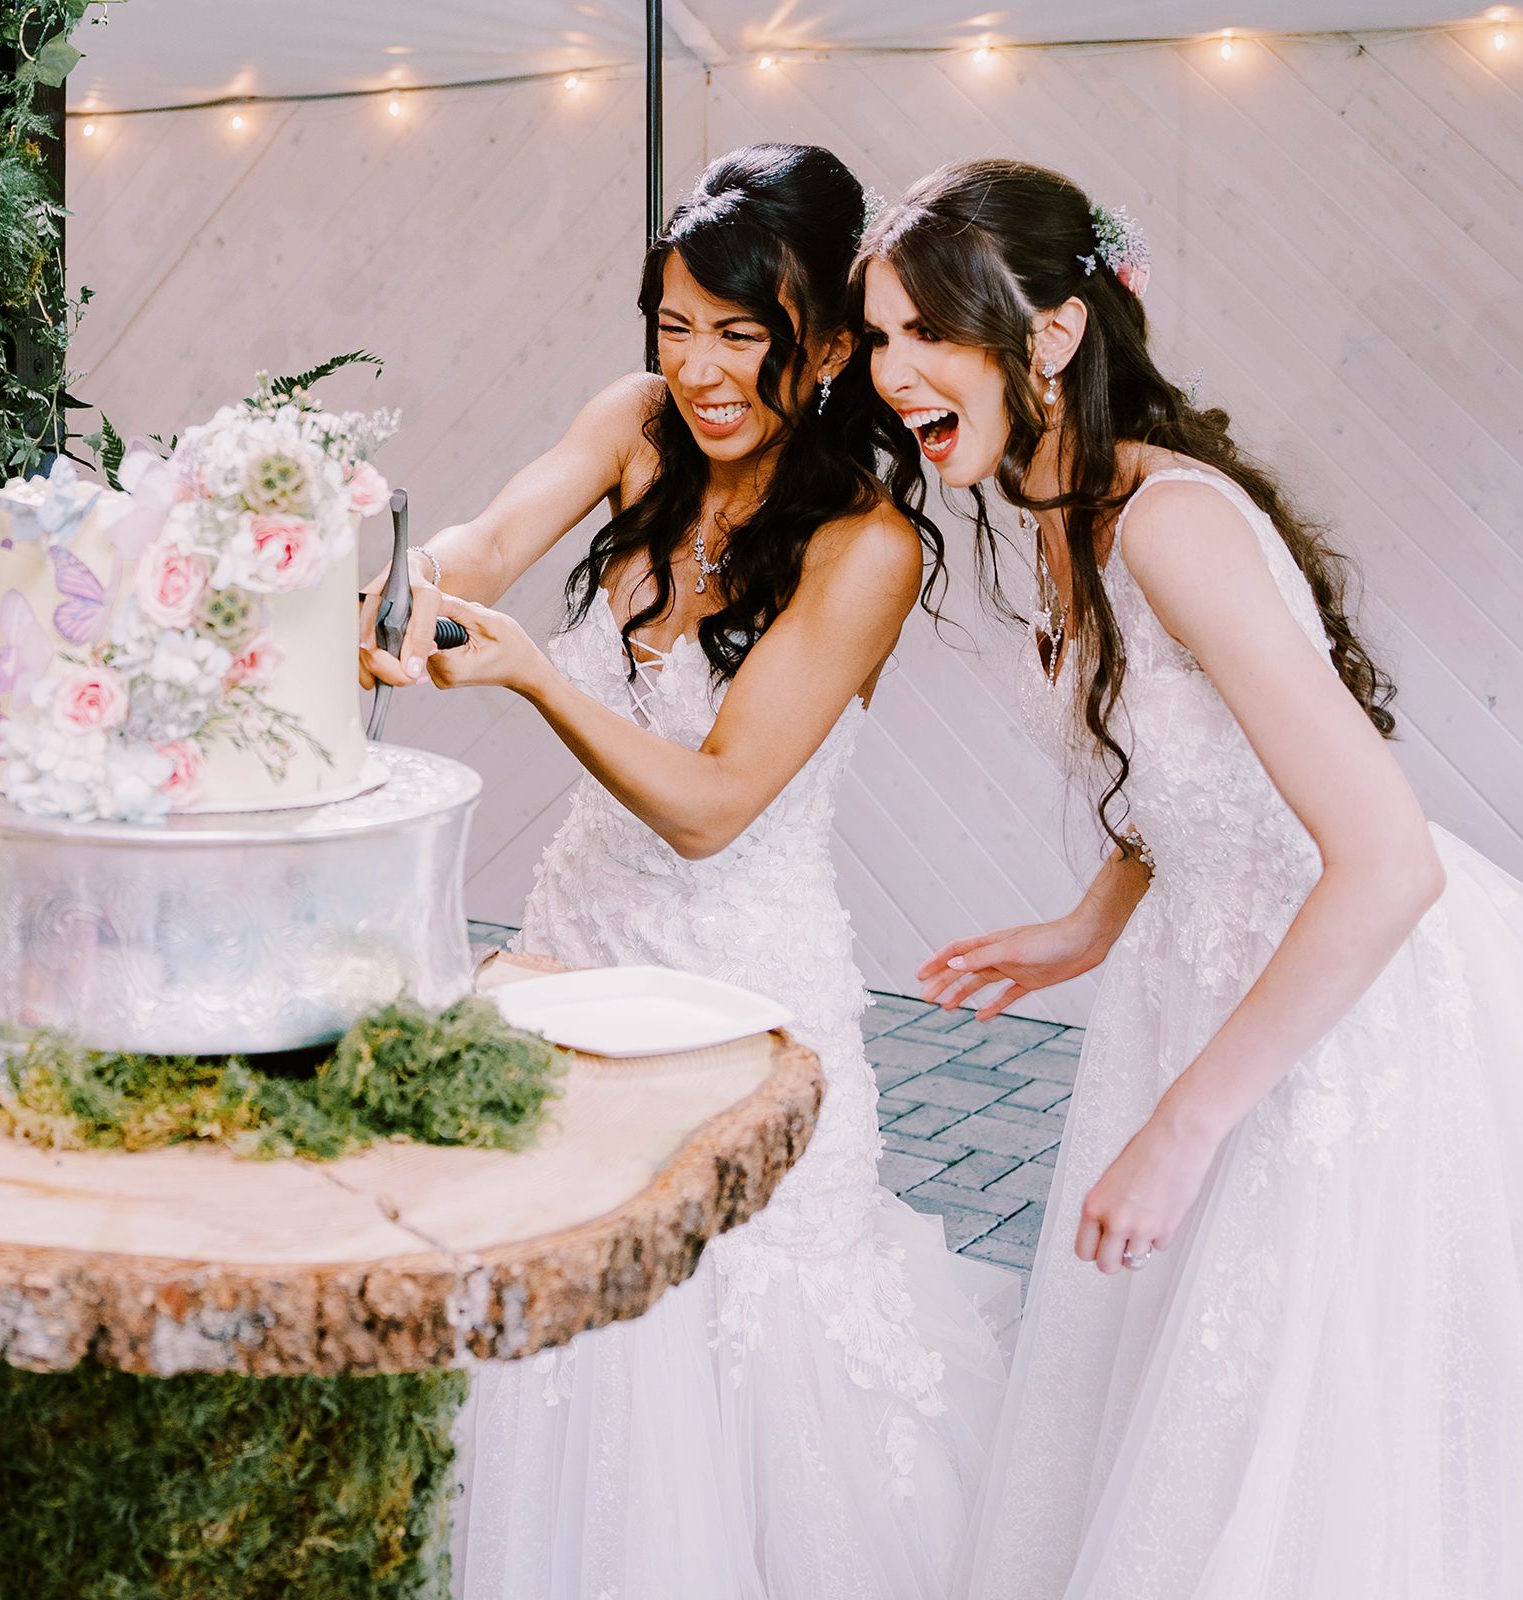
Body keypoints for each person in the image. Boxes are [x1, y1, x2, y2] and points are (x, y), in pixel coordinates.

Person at [362, 144, 1014, 1600]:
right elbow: (488, 538)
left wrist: (534, 677)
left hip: (746, 1004)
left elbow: (716, 804)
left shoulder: (868, 546)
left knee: (729, 1342)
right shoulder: (637, 424)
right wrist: (404, 587)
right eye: (674, 327)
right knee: (552, 1312)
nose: (702, 371)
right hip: (572, 953)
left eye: (743, 335)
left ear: (831, 347)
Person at [864, 158, 1523, 1597]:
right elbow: (1180, 773)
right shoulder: (1057, 504)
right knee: (1181, 1392)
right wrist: (1087, 926)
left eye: (927, 333)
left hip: (1340, 1010)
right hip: (1197, 977)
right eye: (877, 337)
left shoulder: (1172, 523)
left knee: (1306, 1428)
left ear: (1050, 335)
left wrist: (1184, 1123)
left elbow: (1387, 862)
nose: (890, 371)